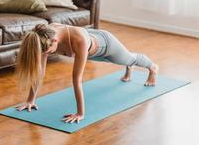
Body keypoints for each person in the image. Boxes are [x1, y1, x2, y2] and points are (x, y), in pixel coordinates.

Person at [15, 23, 159, 124]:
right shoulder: (45, 34)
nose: (46, 54)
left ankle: (152, 67)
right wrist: (30, 100)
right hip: (90, 43)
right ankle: (129, 67)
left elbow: (77, 80)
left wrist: (80, 114)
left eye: (47, 52)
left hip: (106, 45)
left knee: (129, 58)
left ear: (55, 41)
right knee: (124, 62)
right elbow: (40, 72)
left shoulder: (78, 41)